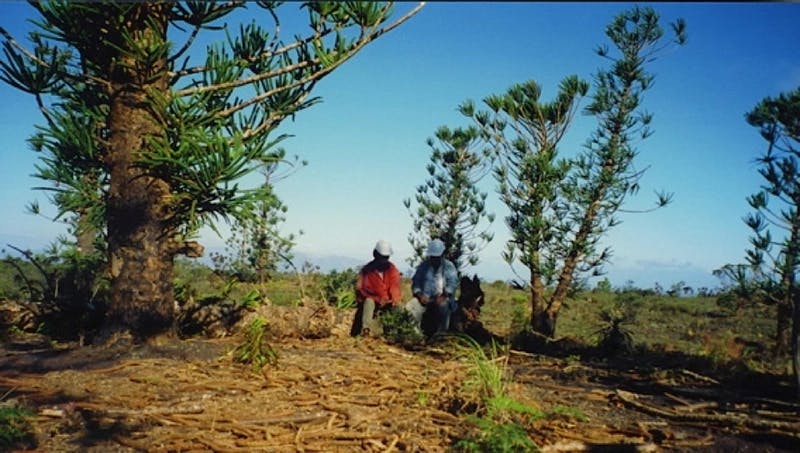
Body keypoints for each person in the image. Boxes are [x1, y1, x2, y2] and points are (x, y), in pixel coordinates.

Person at [405, 238, 459, 337]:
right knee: (410, 306)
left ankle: (441, 334)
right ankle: (415, 334)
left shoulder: (449, 267)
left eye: (437, 257)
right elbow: (416, 282)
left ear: (442, 255)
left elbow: (453, 283)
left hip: (443, 298)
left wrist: (443, 296)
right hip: (425, 299)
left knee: (444, 306)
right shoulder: (423, 266)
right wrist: (420, 296)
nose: (434, 259)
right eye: (432, 257)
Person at [351, 240, 403, 337]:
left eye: (386, 258)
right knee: (369, 302)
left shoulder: (392, 269)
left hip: (387, 302)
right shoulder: (367, 270)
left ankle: (396, 332)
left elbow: (394, 287)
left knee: (398, 307)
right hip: (373, 301)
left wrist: (394, 299)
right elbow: (361, 289)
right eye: (382, 257)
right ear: (376, 255)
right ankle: (366, 330)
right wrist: (378, 299)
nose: (383, 260)